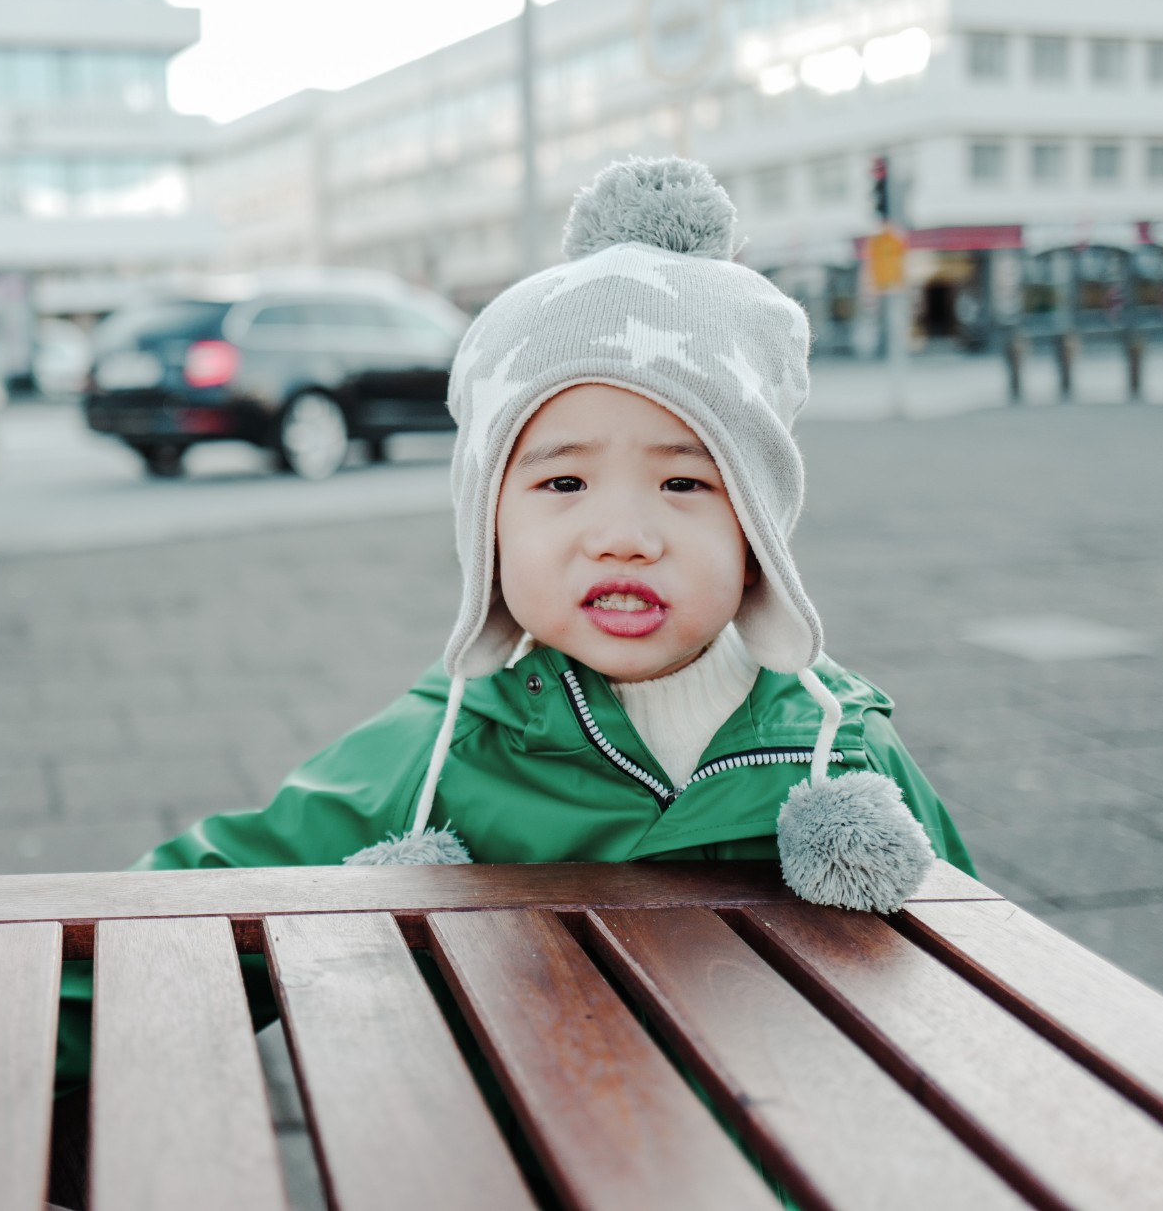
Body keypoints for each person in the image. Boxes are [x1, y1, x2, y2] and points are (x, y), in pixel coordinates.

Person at [53, 157, 975, 1091]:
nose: (622, 536)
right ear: (490, 523)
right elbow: (195, 910)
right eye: (563, 483)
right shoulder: (441, 757)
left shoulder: (842, 755)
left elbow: (977, 981)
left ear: (759, 527)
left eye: (686, 482)